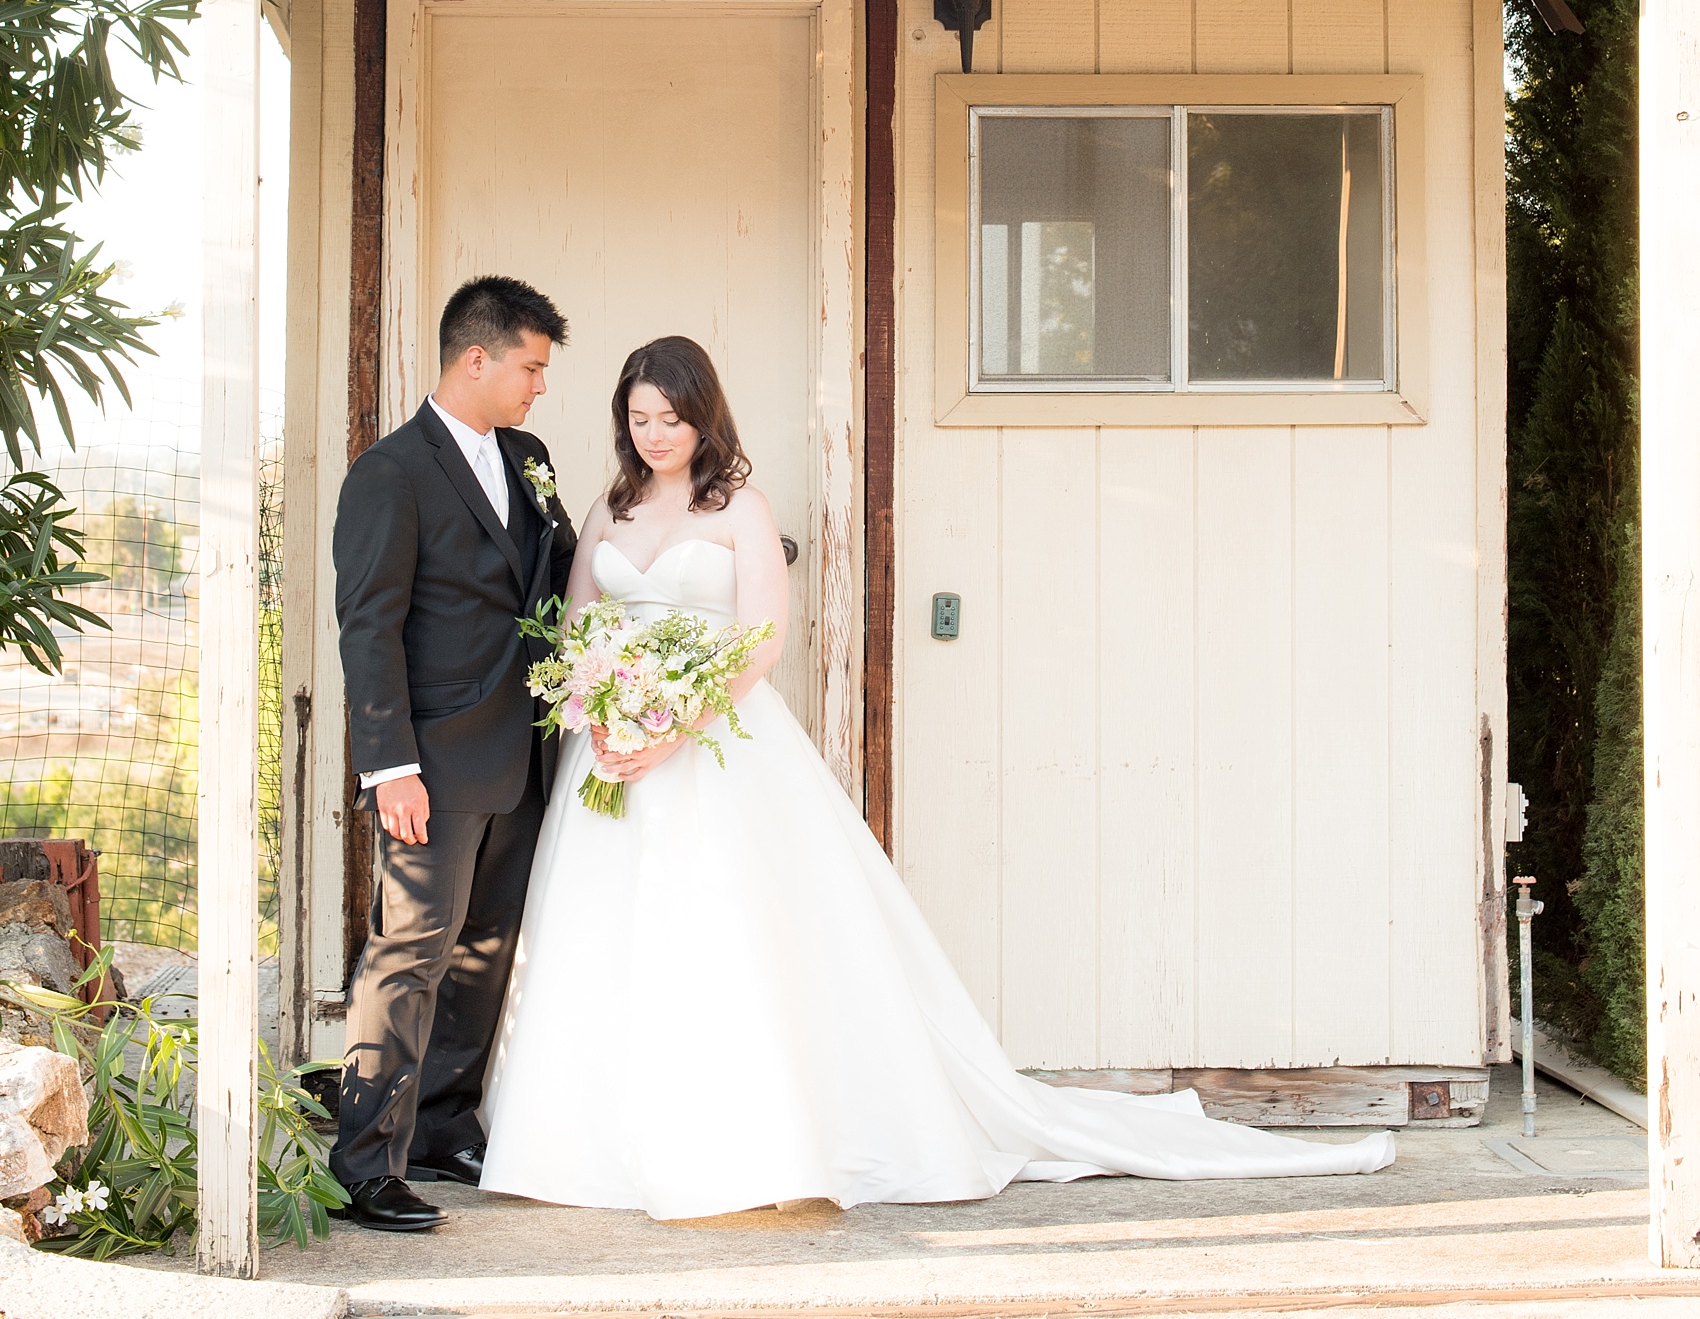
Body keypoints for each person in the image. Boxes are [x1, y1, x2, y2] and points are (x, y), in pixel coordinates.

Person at [480, 336, 1395, 1216]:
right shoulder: (611, 508)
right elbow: (578, 626)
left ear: (703, 417)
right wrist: (602, 707)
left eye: (672, 417)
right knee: (606, 940)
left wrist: (678, 720)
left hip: (715, 747)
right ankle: (593, 1144)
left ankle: (741, 1143)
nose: (655, 435)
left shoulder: (737, 509)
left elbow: (762, 636)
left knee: (723, 937)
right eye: (639, 417)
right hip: (615, 756)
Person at [330, 274, 575, 1232]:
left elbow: (547, 582)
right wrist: (389, 767)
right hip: (430, 762)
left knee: (484, 950)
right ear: (477, 359)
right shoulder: (388, 475)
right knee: (411, 952)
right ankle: (362, 1165)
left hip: (523, 753)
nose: (538, 388)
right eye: (530, 368)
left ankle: (440, 1126)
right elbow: (368, 628)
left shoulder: (529, 456)